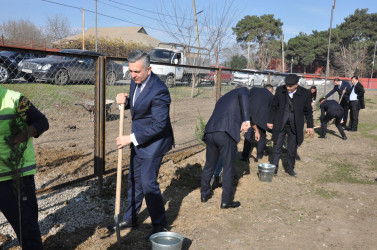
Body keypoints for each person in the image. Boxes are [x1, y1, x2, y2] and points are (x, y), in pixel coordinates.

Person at [113, 50, 174, 236]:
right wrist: (125, 101)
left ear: (149, 69)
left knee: (148, 183)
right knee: (134, 180)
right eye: (130, 71)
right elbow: (140, 104)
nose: (133, 75)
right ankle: (130, 218)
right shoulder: (136, 81)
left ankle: (159, 225)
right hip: (139, 139)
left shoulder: (160, 91)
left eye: (137, 72)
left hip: (155, 142)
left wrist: (129, 138)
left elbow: (158, 124)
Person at [0, 86, 49, 250]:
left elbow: (42, 122)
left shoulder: (16, 100)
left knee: (27, 231)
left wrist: (25, 132)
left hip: (15, 179)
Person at [201, 87, 260, 209]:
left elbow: (246, 113)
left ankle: (204, 194)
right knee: (228, 168)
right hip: (225, 134)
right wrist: (246, 121)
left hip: (210, 131)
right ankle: (226, 201)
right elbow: (244, 98)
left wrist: (252, 125)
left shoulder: (224, 98)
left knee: (209, 165)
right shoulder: (243, 91)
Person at [267, 74, 314, 177]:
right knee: (276, 146)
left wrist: (310, 126)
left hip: (295, 124)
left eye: (290, 86)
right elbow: (274, 107)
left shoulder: (305, 93)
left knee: (292, 149)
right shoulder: (280, 90)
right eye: (286, 85)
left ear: (296, 85)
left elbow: (308, 111)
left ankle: (290, 168)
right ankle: (273, 168)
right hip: (280, 123)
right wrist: (270, 121)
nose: (287, 88)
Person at [240, 84, 274, 162]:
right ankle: (259, 155)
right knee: (261, 137)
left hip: (250, 116)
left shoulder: (254, 89)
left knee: (248, 137)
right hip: (263, 118)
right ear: (270, 90)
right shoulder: (271, 95)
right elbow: (272, 108)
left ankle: (244, 156)